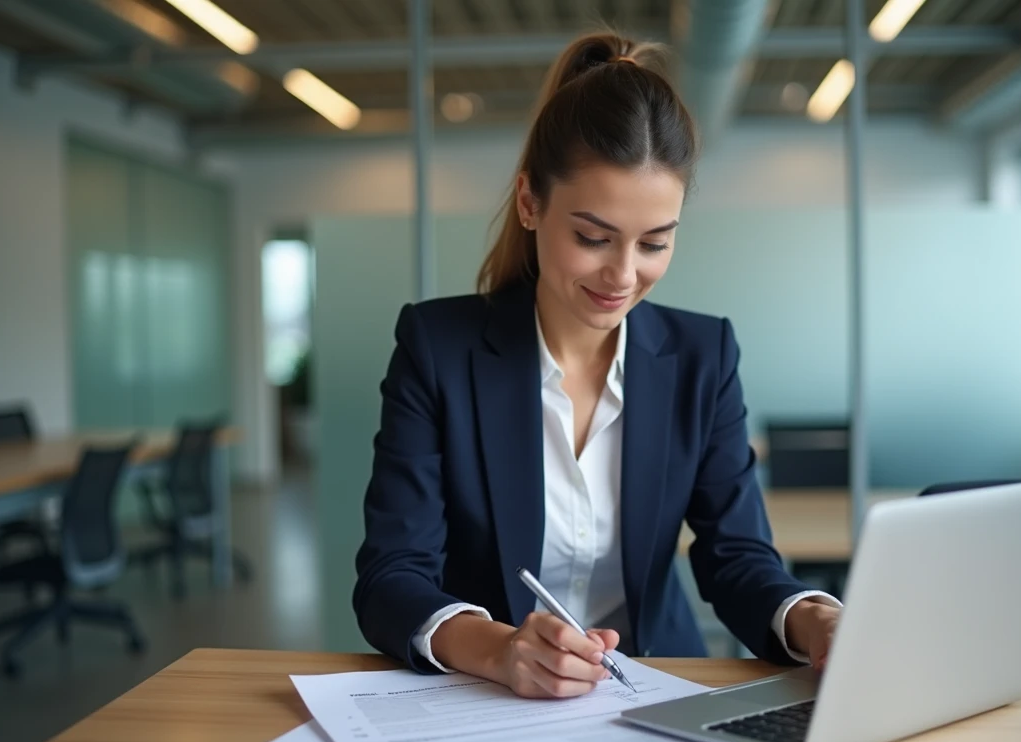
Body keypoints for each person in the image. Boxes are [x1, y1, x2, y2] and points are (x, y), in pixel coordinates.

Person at [354, 32, 840, 699]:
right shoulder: (438, 348)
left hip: (656, 683)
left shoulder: (704, 357)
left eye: (654, 243)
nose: (623, 274)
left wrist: (817, 620)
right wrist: (498, 649)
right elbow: (391, 575)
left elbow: (738, 558)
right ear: (530, 203)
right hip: (491, 695)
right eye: (592, 237)